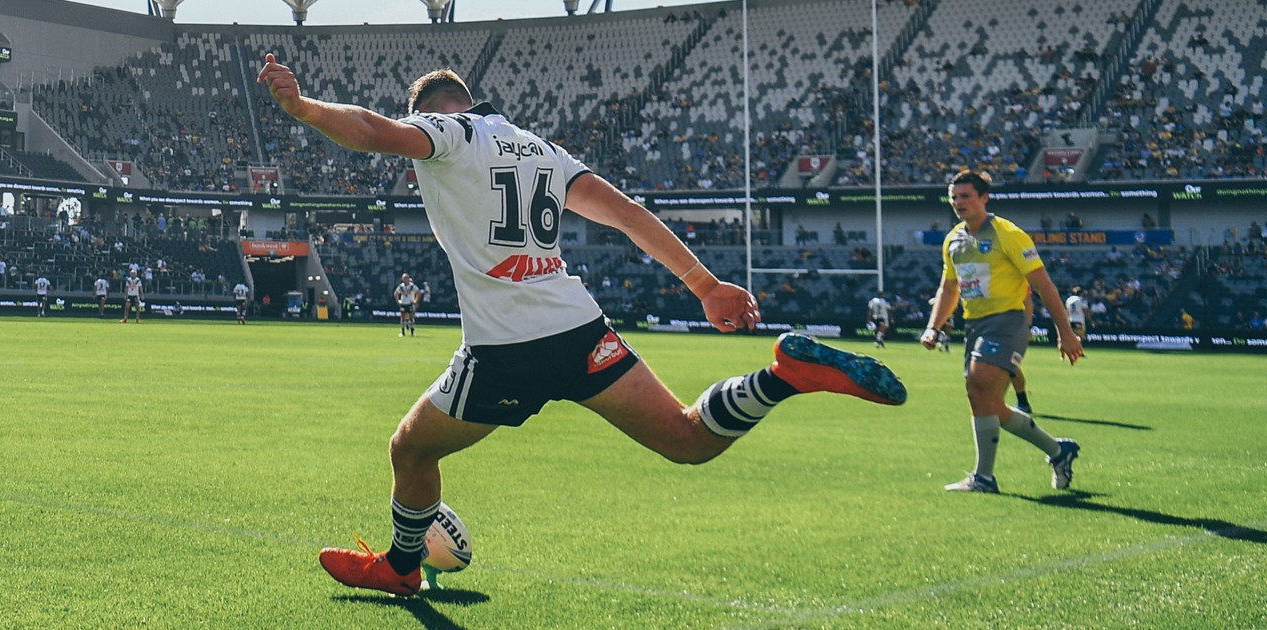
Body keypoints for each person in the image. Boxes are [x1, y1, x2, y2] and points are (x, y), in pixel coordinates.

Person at [259, 54, 906, 597]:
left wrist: (304, 108)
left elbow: (374, 132)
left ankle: (401, 569)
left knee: (411, 449)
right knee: (687, 438)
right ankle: (782, 379)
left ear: (434, 109)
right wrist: (705, 285)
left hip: (508, 346)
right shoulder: (542, 150)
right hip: (579, 326)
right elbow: (624, 212)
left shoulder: (450, 133)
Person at [920, 170, 1083, 494]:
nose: (958, 203)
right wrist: (933, 327)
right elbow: (949, 287)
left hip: (1007, 321)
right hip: (976, 324)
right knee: (986, 402)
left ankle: (983, 477)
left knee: (978, 383)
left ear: (984, 198)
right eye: (954, 197)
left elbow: (1043, 283)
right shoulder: (953, 239)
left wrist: (1065, 332)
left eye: (965, 196)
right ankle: (1058, 451)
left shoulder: (1007, 233)